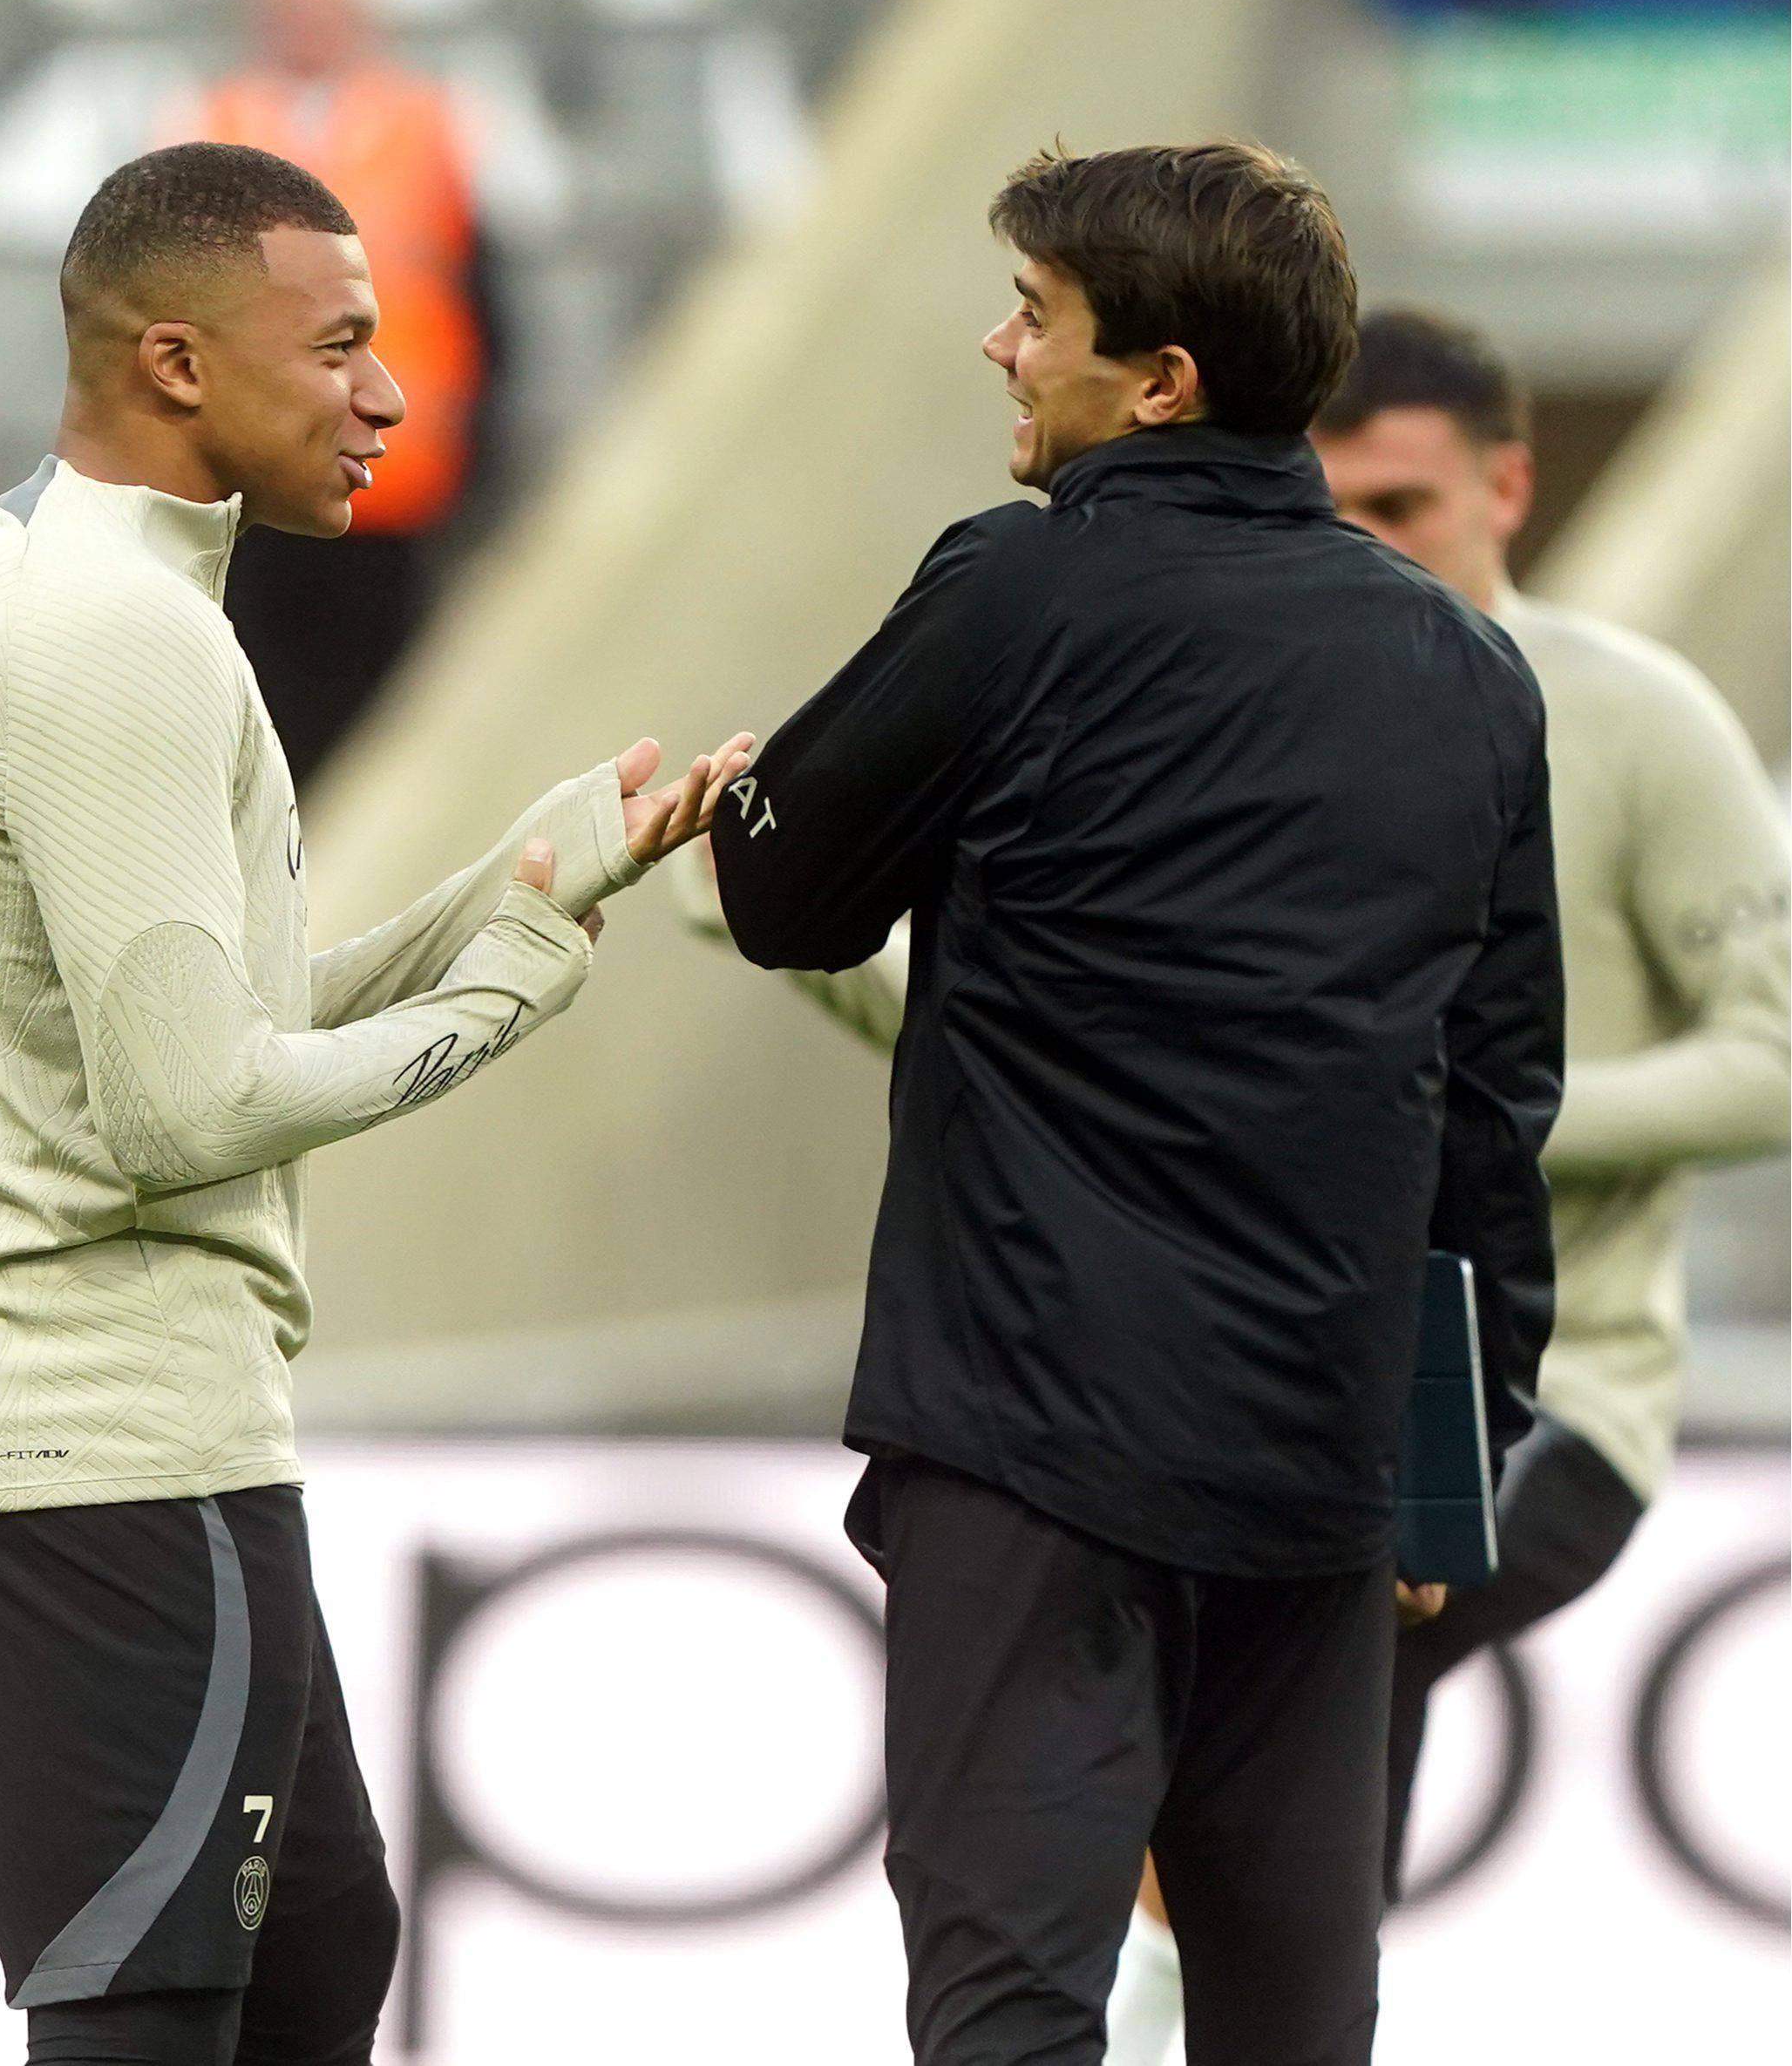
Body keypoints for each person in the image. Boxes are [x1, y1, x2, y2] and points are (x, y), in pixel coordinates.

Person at [707, 306, 1792, 2066]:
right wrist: (796, 936)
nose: (1368, 544)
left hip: (1549, 1383)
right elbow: (1079, 1040)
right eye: (1337, 499)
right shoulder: (1247, 684)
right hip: (1275, 1352)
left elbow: (1772, 1053)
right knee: (1261, 1817)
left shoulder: (1610, 715)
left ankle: (1153, 1993)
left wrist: (1418, 1116)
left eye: (1410, 505)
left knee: (1198, 1743)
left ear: (1511, 485)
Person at [0, 140, 747, 2066]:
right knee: (161, 2008)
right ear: (176, 364)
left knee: (319, 1945)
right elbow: (185, 1110)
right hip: (100, 1413)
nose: (395, 397)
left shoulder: (25, 568)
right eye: (341, 346)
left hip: (93, 1404)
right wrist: (508, 996)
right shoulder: (122, 632)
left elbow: (197, 1028)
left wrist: (507, 888)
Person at [190, 0, 494, 783]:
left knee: (393, 713)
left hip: (397, 475)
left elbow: (481, 294)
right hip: (261, 481)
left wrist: (476, 453)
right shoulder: (215, 130)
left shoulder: (424, 124)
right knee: (275, 713)